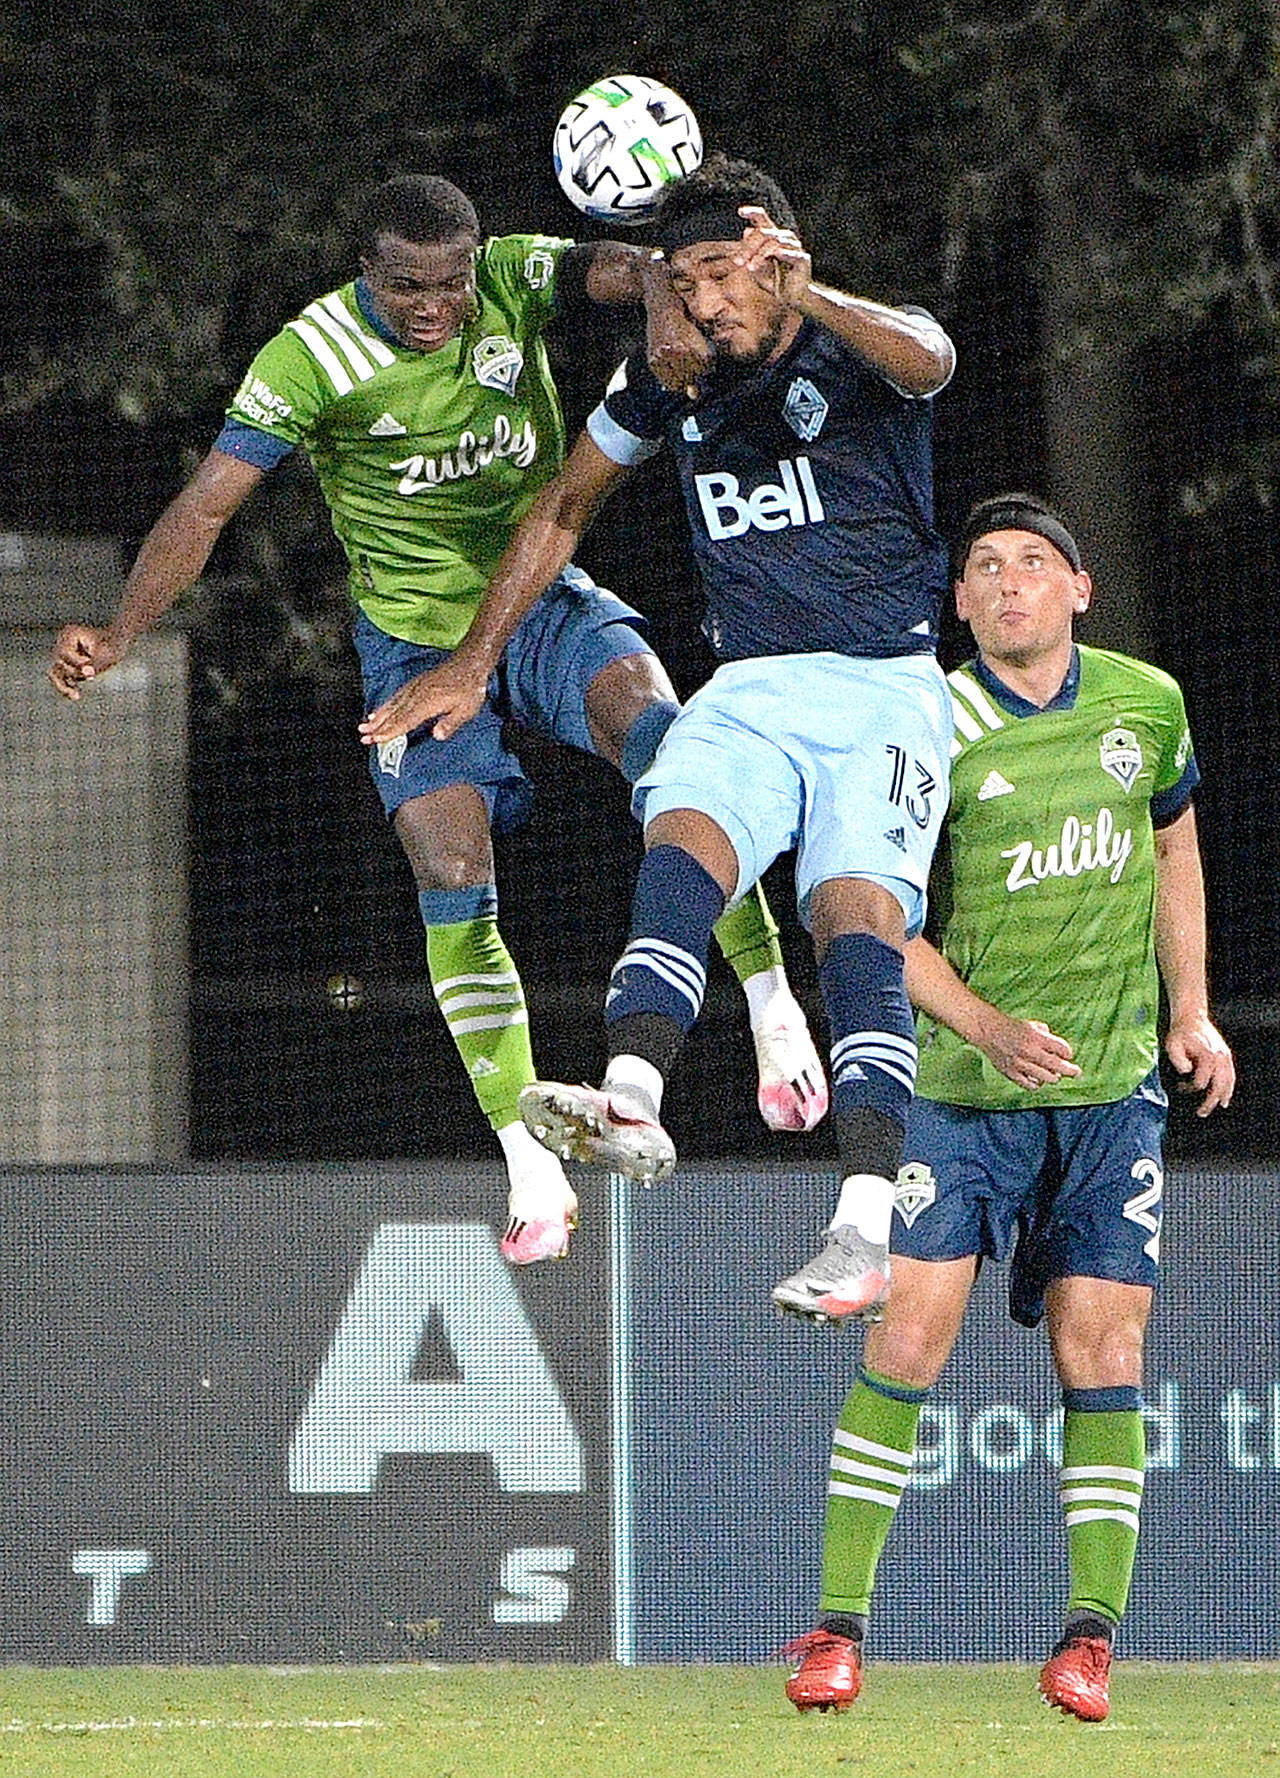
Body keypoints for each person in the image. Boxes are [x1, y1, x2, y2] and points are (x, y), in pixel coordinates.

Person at [48, 172, 828, 1268]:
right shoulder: (309, 357)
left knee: (675, 746)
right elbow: (210, 501)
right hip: (414, 647)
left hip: (542, 605)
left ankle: (770, 1004)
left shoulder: (508, 276)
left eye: (448, 284)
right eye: (406, 285)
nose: (433, 305)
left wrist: (659, 289)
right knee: (449, 865)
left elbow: (626, 264)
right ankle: (526, 1155)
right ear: (366, 270)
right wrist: (125, 626)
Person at [374, 152, 956, 1320]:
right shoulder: (670, 378)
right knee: (680, 823)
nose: (701, 299)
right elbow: (565, 501)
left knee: (855, 923)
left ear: (774, 258)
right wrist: (475, 660)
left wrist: (811, 295)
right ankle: (631, 1092)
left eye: (720, 273)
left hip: (885, 689)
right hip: (750, 682)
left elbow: (930, 357)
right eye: (682, 277)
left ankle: (859, 1227)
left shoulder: (854, 345)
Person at [782, 493, 1236, 1722]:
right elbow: (872, 910)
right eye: (982, 567)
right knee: (907, 1341)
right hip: (961, 1095)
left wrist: (1189, 1007)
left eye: (1032, 563)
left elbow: (1173, 848)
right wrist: (980, 1023)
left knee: (1105, 1352)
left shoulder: (1144, 703)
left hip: (1109, 1100)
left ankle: (1087, 1640)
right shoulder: (925, 723)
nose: (1006, 582)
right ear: (958, 601)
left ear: (1077, 589)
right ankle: (834, 1630)